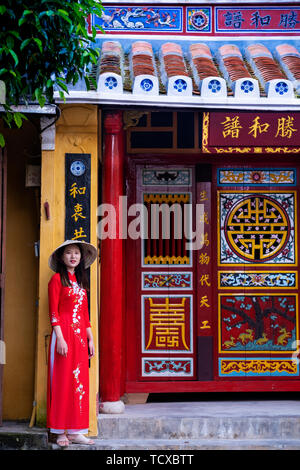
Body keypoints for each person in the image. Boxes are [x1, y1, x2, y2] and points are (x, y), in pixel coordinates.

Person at [47, 239, 97, 447]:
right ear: (61, 257)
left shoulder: (80, 282)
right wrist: (59, 338)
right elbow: (53, 311)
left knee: (79, 383)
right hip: (63, 335)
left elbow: (84, 314)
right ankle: (60, 432)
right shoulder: (57, 280)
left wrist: (90, 338)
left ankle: (76, 431)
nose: (73, 256)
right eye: (69, 253)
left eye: (76, 253)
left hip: (79, 339)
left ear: (81, 257)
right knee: (62, 383)